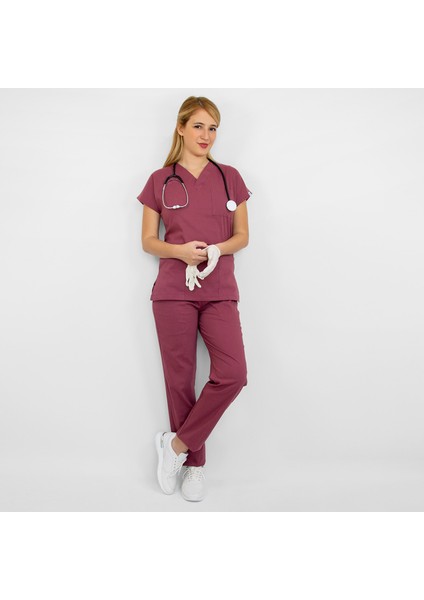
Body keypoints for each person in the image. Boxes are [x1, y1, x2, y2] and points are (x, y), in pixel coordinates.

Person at [136, 96, 252, 502]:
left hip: (219, 291)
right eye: (199, 126)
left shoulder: (229, 177)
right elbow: (148, 241)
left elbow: (243, 236)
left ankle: (176, 446)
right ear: (181, 128)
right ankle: (195, 466)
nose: (207, 135)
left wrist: (218, 249)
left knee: (233, 374)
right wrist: (181, 252)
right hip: (173, 293)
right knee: (180, 381)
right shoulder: (160, 180)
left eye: (213, 128)